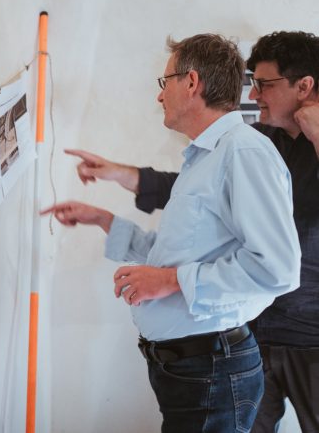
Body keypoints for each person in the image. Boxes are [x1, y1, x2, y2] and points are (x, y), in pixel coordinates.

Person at [42, 33, 301, 433]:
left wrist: (170, 282)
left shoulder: (243, 153)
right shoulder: (205, 157)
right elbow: (176, 255)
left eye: (166, 82)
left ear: (192, 82)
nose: (160, 95)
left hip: (213, 372)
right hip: (191, 371)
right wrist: (104, 220)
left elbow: (278, 268)